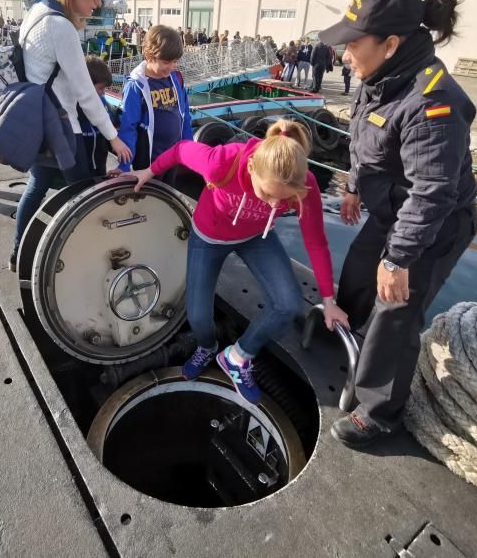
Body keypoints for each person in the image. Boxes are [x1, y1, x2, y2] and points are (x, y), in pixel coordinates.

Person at [318, 0, 477, 447]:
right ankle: (340, 328)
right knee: (359, 270)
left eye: (352, 44)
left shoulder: (432, 101)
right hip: (393, 207)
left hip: (435, 223)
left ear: (390, 44)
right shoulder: (380, 80)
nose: (345, 54)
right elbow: (362, 139)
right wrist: (352, 186)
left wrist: (399, 259)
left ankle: (380, 411)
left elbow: (431, 193)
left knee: (397, 308)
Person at [128, 120, 349, 404]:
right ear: (252, 167)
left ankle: (237, 357)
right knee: (198, 317)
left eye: (281, 200)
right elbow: (182, 149)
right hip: (208, 237)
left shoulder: (304, 184)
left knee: (289, 304)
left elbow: (316, 241)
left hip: (256, 236)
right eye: (267, 194)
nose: (272, 205)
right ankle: (207, 347)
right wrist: (149, 171)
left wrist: (329, 301)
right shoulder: (224, 161)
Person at [9, 0, 132, 270]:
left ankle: (19, 253)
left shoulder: (37, 11)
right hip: (63, 127)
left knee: (36, 187)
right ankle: (76, 262)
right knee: (83, 198)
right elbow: (86, 93)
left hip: (38, 121)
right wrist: (114, 138)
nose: (97, 4)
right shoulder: (61, 28)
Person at [117, 25, 193, 181]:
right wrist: (124, 166)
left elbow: (184, 115)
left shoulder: (176, 79)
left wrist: (189, 148)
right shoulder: (136, 86)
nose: (172, 67)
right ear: (149, 56)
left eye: (175, 62)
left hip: (173, 156)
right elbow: (128, 127)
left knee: (168, 191)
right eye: (166, 62)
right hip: (149, 160)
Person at [81, 55, 118, 176]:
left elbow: (109, 119)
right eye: (101, 88)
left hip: (100, 156)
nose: (103, 92)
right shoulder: (76, 104)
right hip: (83, 158)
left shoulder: (102, 100)